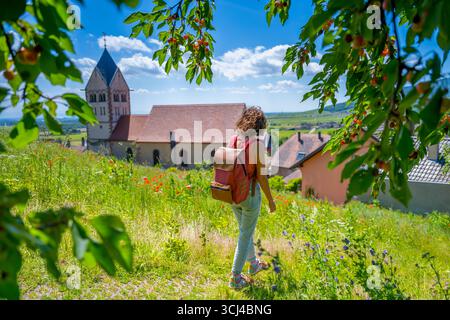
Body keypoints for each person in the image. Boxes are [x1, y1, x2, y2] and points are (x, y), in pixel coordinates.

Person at [228, 106, 276, 290]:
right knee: (245, 234)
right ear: (261, 125)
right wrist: (271, 201)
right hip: (248, 195)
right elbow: (262, 177)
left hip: (232, 194)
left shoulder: (234, 139)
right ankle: (235, 277)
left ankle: (253, 264)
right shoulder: (258, 144)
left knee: (245, 231)